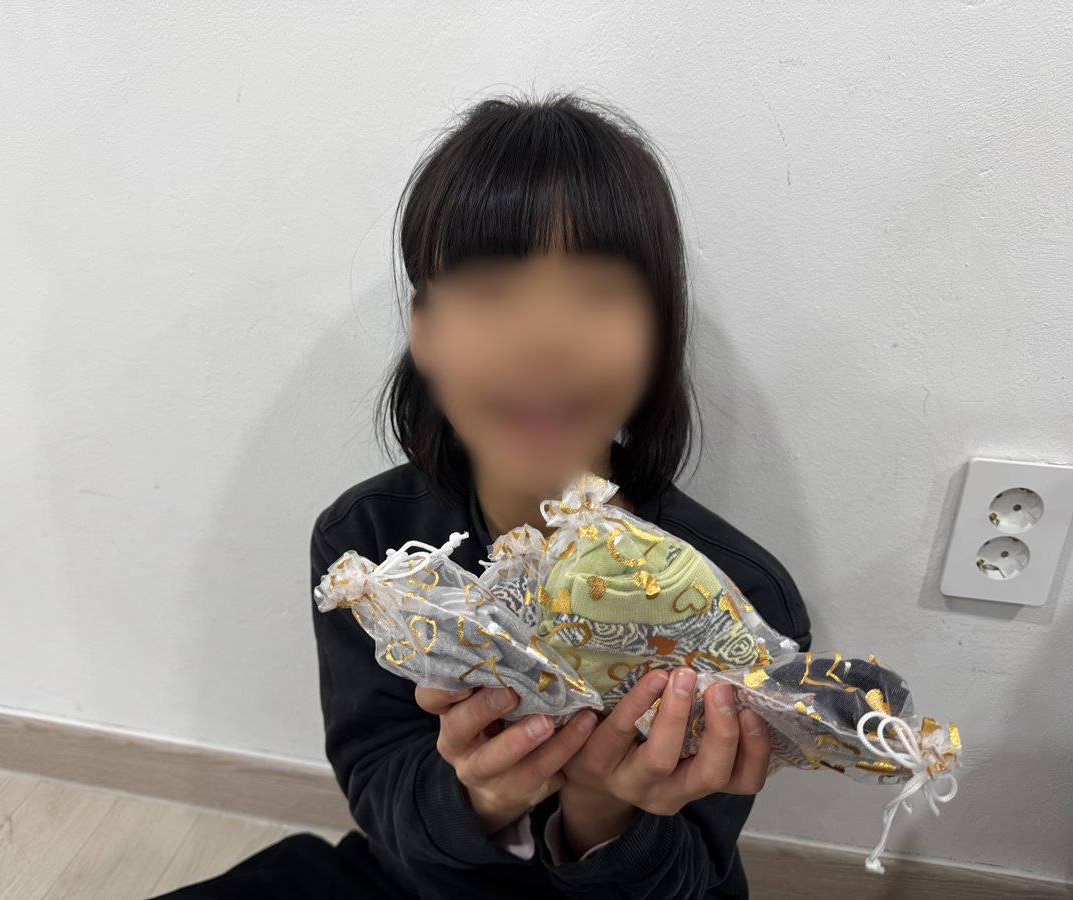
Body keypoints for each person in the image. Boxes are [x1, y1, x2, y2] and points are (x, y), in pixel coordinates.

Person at [152, 89, 812, 900]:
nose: (542, 339)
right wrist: (482, 795)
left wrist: (600, 806)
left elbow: (688, 871)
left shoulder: (743, 600)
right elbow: (379, 786)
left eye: (598, 291)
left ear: (658, 335)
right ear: (425, 331)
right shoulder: (371, 550)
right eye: (491, 290)